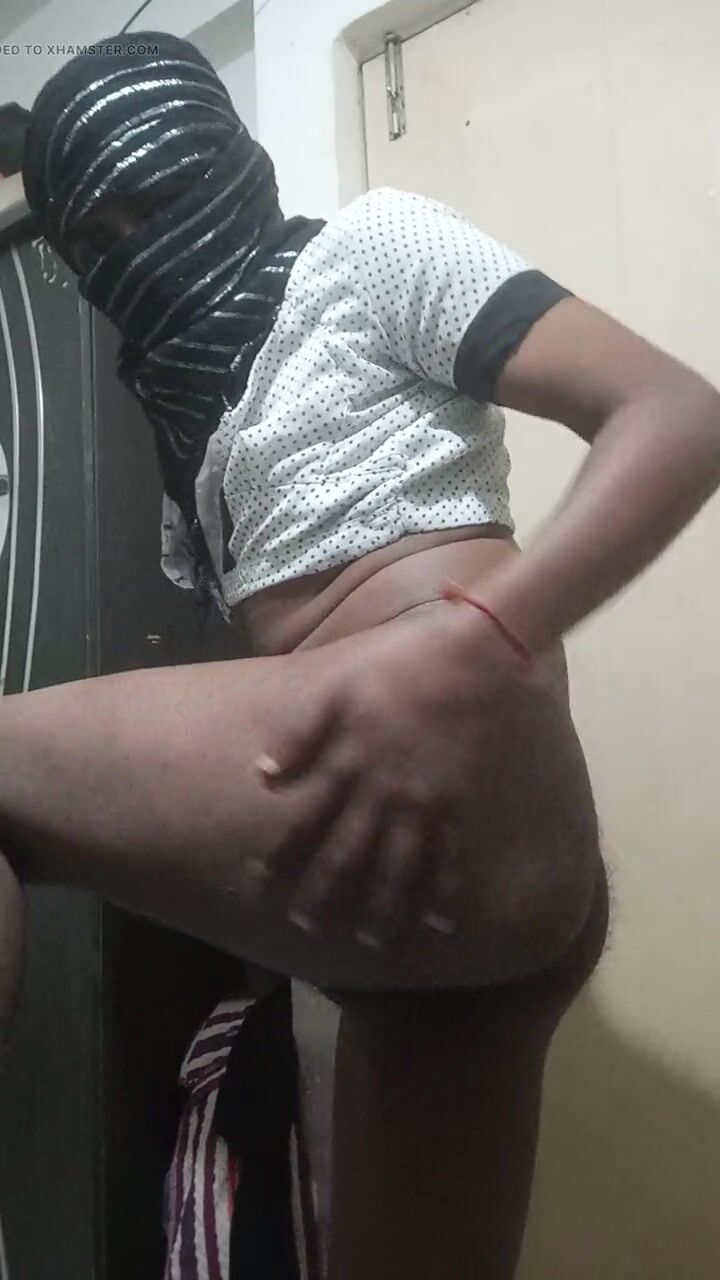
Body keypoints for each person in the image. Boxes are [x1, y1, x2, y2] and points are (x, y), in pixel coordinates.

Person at [2, 30, 719, 1279]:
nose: (132, 246)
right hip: (452, 900)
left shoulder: (368, 246)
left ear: (226, 157)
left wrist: (487, 630)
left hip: (459, 748)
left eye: (152, 195)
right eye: (95, 234)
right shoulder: (183, 420)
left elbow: (676, 413)